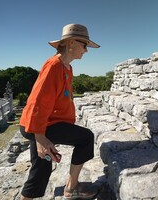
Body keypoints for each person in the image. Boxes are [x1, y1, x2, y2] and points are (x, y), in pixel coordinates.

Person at [19, 23, 100, 200]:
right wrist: (40, 136)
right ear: (71, 43)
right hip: (42, 125)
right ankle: (72, 188)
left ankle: (67, 188)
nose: (86, 50)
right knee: (85, 138)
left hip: (47, 123)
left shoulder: (67, 67)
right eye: (84, 45)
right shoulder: (53, 66)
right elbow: (37, 101)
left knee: (41, 167)